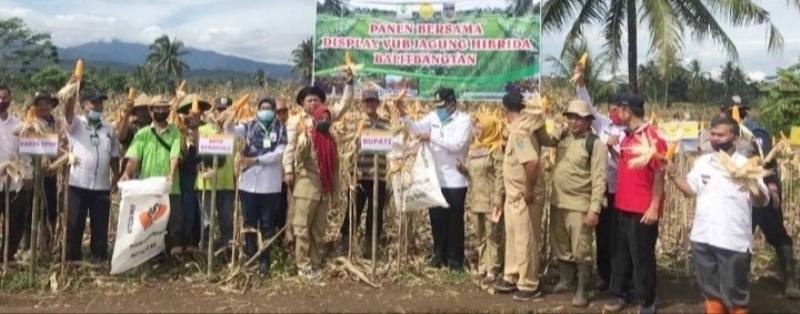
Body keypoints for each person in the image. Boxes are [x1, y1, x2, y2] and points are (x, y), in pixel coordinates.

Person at [667, 116, 770, 314]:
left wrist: (751, 183)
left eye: (721, 135)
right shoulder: (704, 162)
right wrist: (673, 174)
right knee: (711, 293)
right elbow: (690, 190)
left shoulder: (748, 165)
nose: (716, 139)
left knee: (735, 295)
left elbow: (761, 201)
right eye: (713, 134)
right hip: (703, 238)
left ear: (735, 137)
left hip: (733, 240)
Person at [701, 100, 800, 299]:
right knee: (741, 238)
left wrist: (772, 188)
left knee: (776, 234)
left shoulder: (756, 133)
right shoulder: (720, 134)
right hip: (738, 196)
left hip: (761, 191)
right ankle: (737, 282)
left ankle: (791, 278)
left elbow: (767, 161)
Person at [283, 70, 353, 278]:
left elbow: (345, 104)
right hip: (306, 182)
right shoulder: (297, 122)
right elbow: (290, 148)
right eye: (309, 100)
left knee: (318, 228)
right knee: (302, 225)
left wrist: (349, 84)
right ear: (302, 104)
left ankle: (315, 262)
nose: (313, 103)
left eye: (316, 100)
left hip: (323, 184)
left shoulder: (325, 118)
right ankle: (303, 265)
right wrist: (288, 170)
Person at [604, 94, 667, 314]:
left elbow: (659, 175)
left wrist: (654, 205)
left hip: (642, 209)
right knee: (620, 253)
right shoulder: (627, 137)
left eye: (618, 110)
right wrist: (611, 149)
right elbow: (624, 163)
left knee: (642, 257)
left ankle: (647, 300)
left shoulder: (653, 138)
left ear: (627, 112)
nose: (615, 114)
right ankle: (619, 293)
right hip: (622, 204)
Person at [399, 87, 473, 272]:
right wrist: (403, 113)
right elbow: (416, 128)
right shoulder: (433, 117)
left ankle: (455, 261)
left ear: (452, 104)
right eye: (437, 106)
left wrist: (432, 137)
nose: (438, 110)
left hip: (455, 180)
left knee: (454, 221)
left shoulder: (464, 121)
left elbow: (456, 145)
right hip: (435, 178)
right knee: (437, 220)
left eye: (442, 106)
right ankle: (439, 255)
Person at [547, 99, 608, 307]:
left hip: (579, 205)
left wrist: (595, 209)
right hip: (558, 202)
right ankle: (566, 279)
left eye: (578, 118)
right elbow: (546, 141)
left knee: (581, 248)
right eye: (570, 117)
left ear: (588, 120)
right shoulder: (563, 137)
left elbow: (599, 179)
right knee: (561, 244)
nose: (572, 122)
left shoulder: (595, 144)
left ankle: (582, 289)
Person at [574, 71, 631, 292]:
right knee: (603, 234)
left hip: (623, 190)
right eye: (612, 109)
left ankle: (624, 277)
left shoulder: (631, 132)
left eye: (618, 109)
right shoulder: (604, 124)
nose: (613, 112)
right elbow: (587, 106)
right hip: (604, 188)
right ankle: (605, 275)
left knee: (620, 237)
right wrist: (581, 85)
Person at [492, 91, 545, 301]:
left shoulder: (521, 133)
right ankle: (512, 275)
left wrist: (529, 189)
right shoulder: (516, 130)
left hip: (525, 197)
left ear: (505, 110)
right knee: (513, 238)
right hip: (514, 196)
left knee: (526, 239)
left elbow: (532, 162)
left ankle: (530, 283)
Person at [230, 97, 287, 276]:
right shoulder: (249, 125)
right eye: (262, 107)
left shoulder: (280, 128)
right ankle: (250, 258)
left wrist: (255, 159)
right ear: (257, 109)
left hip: (269, 186)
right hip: (248, 184)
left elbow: (278, 155)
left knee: (267, 224)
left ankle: (264, 262)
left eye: (269, 108)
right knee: (248, 223)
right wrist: (230, 114)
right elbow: (230, 130)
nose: (266, 110)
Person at [120, 96, 183, 256]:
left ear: (169, 111)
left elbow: (174, 155)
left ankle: (173, 256)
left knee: (173, 221)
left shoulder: (175, 132)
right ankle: (150, 255)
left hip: (170, 186)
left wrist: (171, 172)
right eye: (158, 109)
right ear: (151, 111)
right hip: (148, 186)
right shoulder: (142, 133)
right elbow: (134, 156)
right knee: (150, 221)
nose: (161, 112)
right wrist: (127, 172)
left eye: (164, 109)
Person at [63, 91, 120, 262]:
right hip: (78, 183)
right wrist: (71, 93)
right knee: (75, 223)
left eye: (100, 103)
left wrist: (116, 176)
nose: (98, 107)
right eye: (94, 103)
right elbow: (67, 112)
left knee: (100, 225)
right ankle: (72, 259)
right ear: (83, 106)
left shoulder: (108, 128)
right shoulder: (76, 124)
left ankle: (99, 257)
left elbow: (114, 155)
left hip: (101, 185)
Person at [339, 89, 390, 258]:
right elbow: (348, 146)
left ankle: (370, 248)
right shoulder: (355, 123)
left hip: (379, 176)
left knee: (375, 214)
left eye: (373, 101)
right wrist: (355, 144)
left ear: (378, 103)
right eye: (367, 101)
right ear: (362, 104)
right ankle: (346, 245)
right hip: (359, 176)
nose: (370, 104)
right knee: (353, 210)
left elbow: (390, 147)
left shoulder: (385, 123)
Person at [457, 114, 504, 284]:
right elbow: (470, 172)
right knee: (480, 234)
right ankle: (483, 265)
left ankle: (494, 267)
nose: (476, 131)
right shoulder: (474, 149)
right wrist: (462, 168)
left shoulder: (495, 149)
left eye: (480, 127)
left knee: (493, 235)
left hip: (492, 200)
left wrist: (499, 197)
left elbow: (500, 175)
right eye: (475, 127)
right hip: (476, 199)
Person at [196, 96, 234, 253]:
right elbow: (198, 157)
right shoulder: (203, 130)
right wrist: (203, 171)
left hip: (226, 183)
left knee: (226, 221)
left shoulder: (235, 131)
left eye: (225, 110)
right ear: (213, 111)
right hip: (207, 183)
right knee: (207, 221)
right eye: (218, 109)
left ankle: (226, 250)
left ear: (231, 111)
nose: (221, 113)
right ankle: (206, 251)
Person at [0, 85, 31, 262]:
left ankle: (6, 256)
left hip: (14, 183)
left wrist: (27, 174)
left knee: (15, 223)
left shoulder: (19, 125)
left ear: (10, 101)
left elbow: (26, 153)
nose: (1, 101)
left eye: (5, 98)